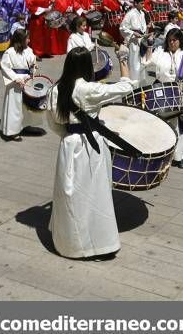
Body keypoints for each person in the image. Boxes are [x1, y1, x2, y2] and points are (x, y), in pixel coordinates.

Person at [45, 47, 134, 259]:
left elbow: (53, 123)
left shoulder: (56, 89)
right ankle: (99, 244)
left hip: (69, 144)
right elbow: (127, 86)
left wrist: (69, 136)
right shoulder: (89, 89)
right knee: (95, 194)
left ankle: (70, 244)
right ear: (87, 66)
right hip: (90, 146)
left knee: (71, 194)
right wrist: (122, 58)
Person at [144, 28, 183, 168]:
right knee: (162, 124)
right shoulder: (160, 53)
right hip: (163, 93)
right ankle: (163, 154)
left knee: (182, 125)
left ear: (180, 40)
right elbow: (146, 62)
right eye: (169, 40)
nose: (172, 43)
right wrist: (150, 45)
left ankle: (182, 155)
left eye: (174, 40)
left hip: (182, 93)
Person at [0, 29, 39, 141]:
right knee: (14, 107)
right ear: (20, 40)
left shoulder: (29, 50)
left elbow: (34, 64)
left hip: (27, 81)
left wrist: (32, 73)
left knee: (25, 106)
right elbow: (5, 67)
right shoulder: (9, 52)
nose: (29, 40)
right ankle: (12, 131)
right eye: (27, 38)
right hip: (15, 84)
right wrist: (16, 78)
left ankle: (25, 125)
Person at [121, 0, 150, 84]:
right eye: (141, 3)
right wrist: (133, 33)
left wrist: (146, 33)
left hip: (141, 40)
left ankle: (141, 83)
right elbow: (122, 27)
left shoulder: (142, 13)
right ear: (135, 3)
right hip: (133, 41)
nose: (143, 5)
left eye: (143, 3)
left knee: (142, 62)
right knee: (134, 63)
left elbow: (143, 27)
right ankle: (134, 83)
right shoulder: (130, 14)